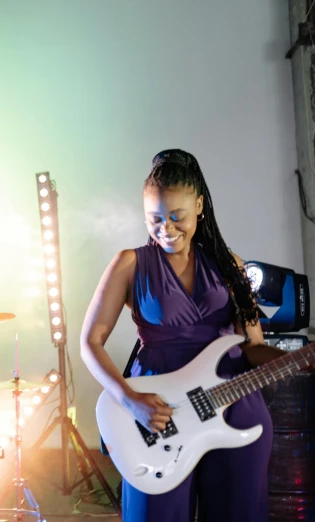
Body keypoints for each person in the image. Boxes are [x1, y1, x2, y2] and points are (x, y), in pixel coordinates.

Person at [80, 149, 288, 522]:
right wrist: (129, 400)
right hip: (159, 412)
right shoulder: (130, 263)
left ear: (200, 207)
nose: (167, 229)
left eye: (178, 217)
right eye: (155, 219)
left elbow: (253, 347)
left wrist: (298, 360)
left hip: (234, 403)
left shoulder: (228, 263)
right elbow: (90, 342)